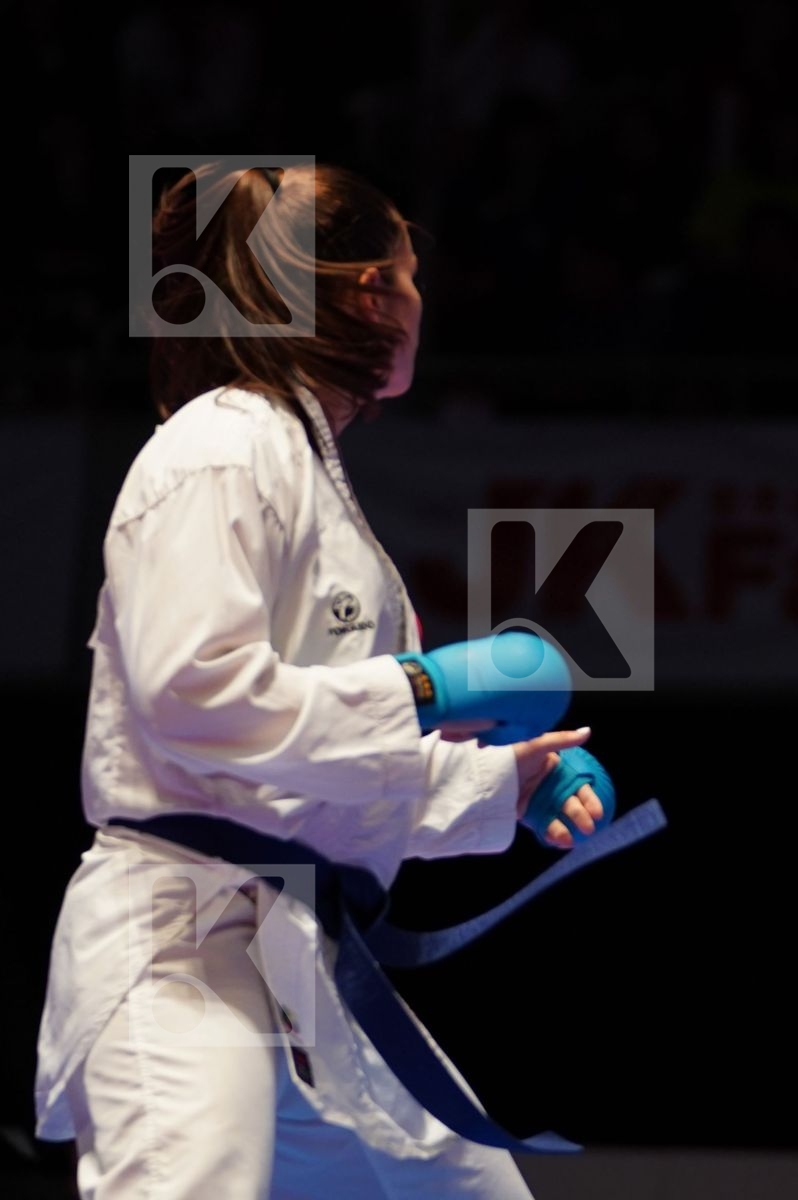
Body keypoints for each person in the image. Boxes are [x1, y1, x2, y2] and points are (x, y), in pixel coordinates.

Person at [35, 162, 622, 1199]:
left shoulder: (306, 469)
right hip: (181, 940)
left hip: (299, 951)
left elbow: (320, 760)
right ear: (365, 295)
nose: (419, 301)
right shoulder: (223, 446)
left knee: (473, 1189)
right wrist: (425, 689)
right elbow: (194, 698)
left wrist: (505, 785)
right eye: (408, 274)